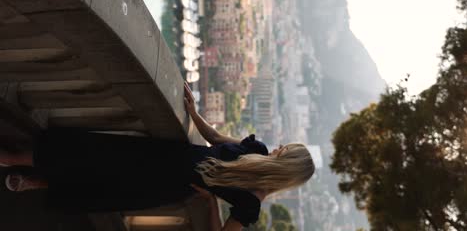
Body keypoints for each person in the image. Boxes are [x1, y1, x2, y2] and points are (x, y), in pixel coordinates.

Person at [0, 82, 315, 231]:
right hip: (162, 158)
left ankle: (33, 178)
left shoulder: (250, 205)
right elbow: (216, 138)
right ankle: (21, 164)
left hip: (163, 181)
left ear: (286, 165)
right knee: (91, 159)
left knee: (97, 181)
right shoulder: (255, 152)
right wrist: (193, 113)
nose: (278, 148)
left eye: (284, 151)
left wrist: (209, 202)